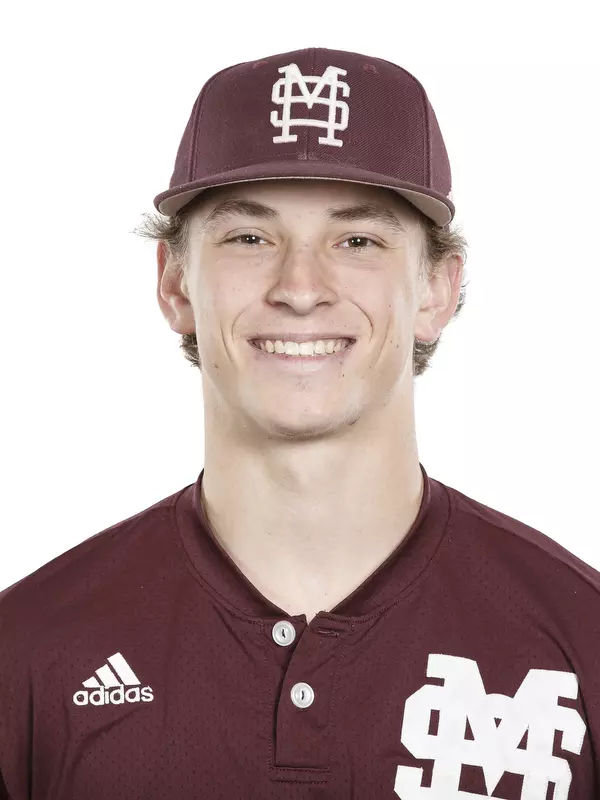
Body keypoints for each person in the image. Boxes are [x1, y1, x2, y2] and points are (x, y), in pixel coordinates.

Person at [1, 46, 598, 800]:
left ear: (437, 292)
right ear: (176, 283)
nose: (300, 287)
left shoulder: (582, 641)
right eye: (250, 238)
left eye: (358, 241)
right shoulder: (25, 654)